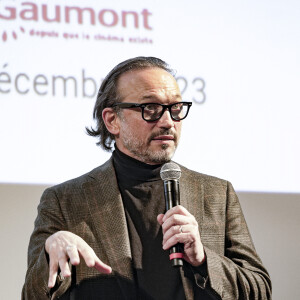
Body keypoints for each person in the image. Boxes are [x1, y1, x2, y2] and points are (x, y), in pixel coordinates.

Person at [22, 57, 271, 300]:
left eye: (175, 108)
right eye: (150, 109)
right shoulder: (65, 200)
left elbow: (259, 290)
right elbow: (32, 295)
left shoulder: (217, 193)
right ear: (112, 120)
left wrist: (203, 259)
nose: (167, 122)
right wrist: (49, 255)